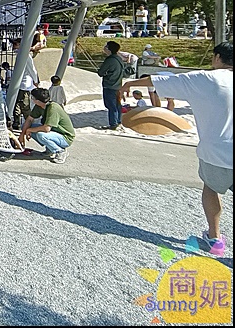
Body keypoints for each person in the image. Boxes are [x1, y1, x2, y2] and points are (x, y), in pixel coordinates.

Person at [120, 42, 232, 256]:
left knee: (211, 188)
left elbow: (162, 81)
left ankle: (215, 240)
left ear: (217, 57)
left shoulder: (206, 78)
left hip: (216, 152)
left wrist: (130, 83)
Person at [17, 87, 75, 164]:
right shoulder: (39, 106)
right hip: (54, 133)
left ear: (37, 100)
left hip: (65, 137)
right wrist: (22, 134)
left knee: (41, 135)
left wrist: (29, 130)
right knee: (25, 126)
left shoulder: (53, 108)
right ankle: (50, 149)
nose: (32, 99)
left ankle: (60, 151)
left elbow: (46, 128)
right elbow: (30, 119)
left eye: (32, 98)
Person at [10, 38, 39, 131]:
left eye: (15, 44)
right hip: (23, 84)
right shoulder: (23, 54)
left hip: (22, 84)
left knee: (20, 105)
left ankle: (21, 123)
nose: (13, 46)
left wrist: (35, 80)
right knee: (22, 105)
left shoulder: (22, 55)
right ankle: (24, 123)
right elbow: (32, 70)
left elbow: (31, 69)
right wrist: (36, 80)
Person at [97, 40, 125, 130]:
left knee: (111, 106)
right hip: (118, 85)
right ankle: (118, 121)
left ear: (109, 49)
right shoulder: (119, 58)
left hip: (109, 85)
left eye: (106, 46)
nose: (104, 47)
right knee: (117, 105)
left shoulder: (110, 60)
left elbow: (101, 72)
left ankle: (113, 124)